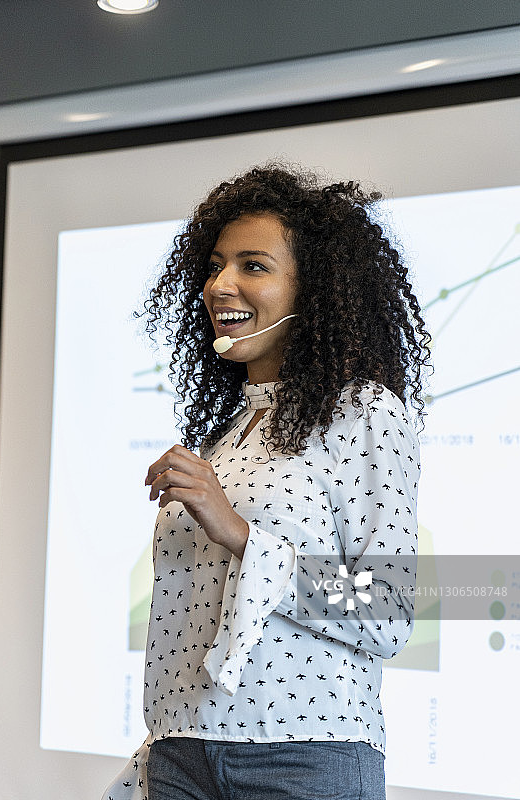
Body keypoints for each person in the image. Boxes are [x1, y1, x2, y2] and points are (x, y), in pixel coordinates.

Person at [101, 164, 431, 800]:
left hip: (301, 756)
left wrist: (240, 534)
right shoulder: (227, 431)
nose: (221, 284)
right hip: (180, 750)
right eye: (218, 264)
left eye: (254, 265)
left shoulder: (365, 413)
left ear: (317, 291)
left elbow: (386, 615)